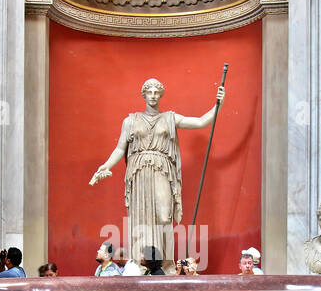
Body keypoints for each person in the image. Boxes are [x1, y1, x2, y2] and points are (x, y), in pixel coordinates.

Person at [89, 77, 225, 264]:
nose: (153, 96)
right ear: (144, 95)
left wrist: (218, 105)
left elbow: (201, 122)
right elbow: (120, 148)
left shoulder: (169, 117)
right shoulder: (130, 121)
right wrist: (106, 165)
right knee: (140, 217)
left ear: (160, 95)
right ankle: (140, 263)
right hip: (138, 172)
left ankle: (164, 263)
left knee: (163, 214)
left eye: (156, 92)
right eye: (149, 92)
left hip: (162, 170)